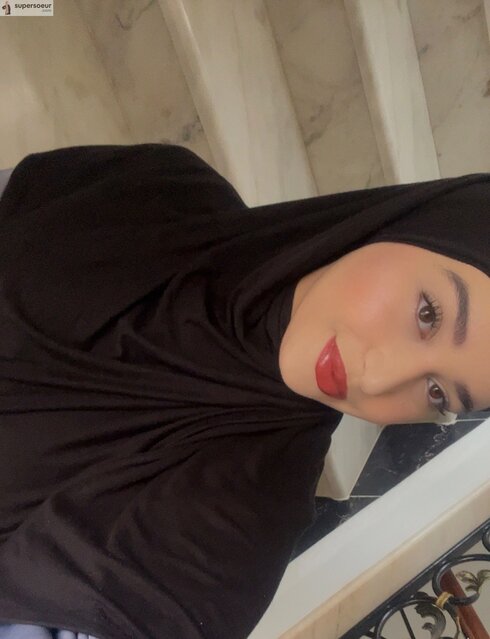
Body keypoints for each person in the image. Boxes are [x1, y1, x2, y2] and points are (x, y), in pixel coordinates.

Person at [0, 144, 488, 639]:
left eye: (437, 393)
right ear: (402, 223)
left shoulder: (239, 523)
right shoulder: (160, 188)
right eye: (427, 314)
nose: (379, 380)